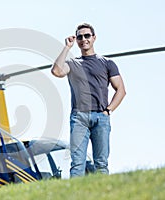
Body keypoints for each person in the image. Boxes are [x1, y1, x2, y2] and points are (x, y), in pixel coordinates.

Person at [51, 23, 126, 177]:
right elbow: (56, 71)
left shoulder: (107, 63)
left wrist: (108, 111)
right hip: (79, 118)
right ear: (76, 40)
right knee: (77, 164)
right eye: (80, 37)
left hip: (101, 117)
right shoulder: (72, 64)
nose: (83, 39)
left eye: (87, 36)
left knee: (101, 164)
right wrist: (66, 48)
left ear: (94, 38)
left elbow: (121, 90)